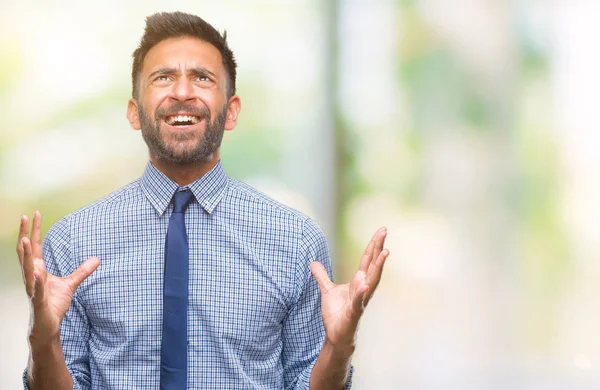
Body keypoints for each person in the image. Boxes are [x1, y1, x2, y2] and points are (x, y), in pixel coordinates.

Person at [16, 11, 389, 390]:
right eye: (163, 77)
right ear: (134, 112)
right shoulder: (74, 242)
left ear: (232, 111)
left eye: (202, 78)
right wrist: (42, 340)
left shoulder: (296, 240)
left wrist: (338, 347)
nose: (181, 92)